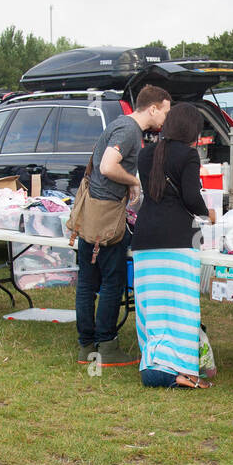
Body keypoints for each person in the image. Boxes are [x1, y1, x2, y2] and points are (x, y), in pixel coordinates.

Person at [74, 84, 171, 366]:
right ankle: (106, 345)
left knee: (87, 282)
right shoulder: (129, 131)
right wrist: (134, 181)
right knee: (111, 282)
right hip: (107, 216)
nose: (166, 118)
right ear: (153, 108)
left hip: (91, 211)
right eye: (165, 111)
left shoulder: (119, 124)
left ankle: (85, 346)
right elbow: (107, 166)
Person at [131, 103, 216, 389]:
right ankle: (179, 367)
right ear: (191, 130)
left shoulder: (146, 154)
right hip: (180, 239)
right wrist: (209, 212)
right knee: (181, 306)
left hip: (144, 238)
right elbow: (192, 198)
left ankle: (154, 363)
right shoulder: (188, 155)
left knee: (152, 307)